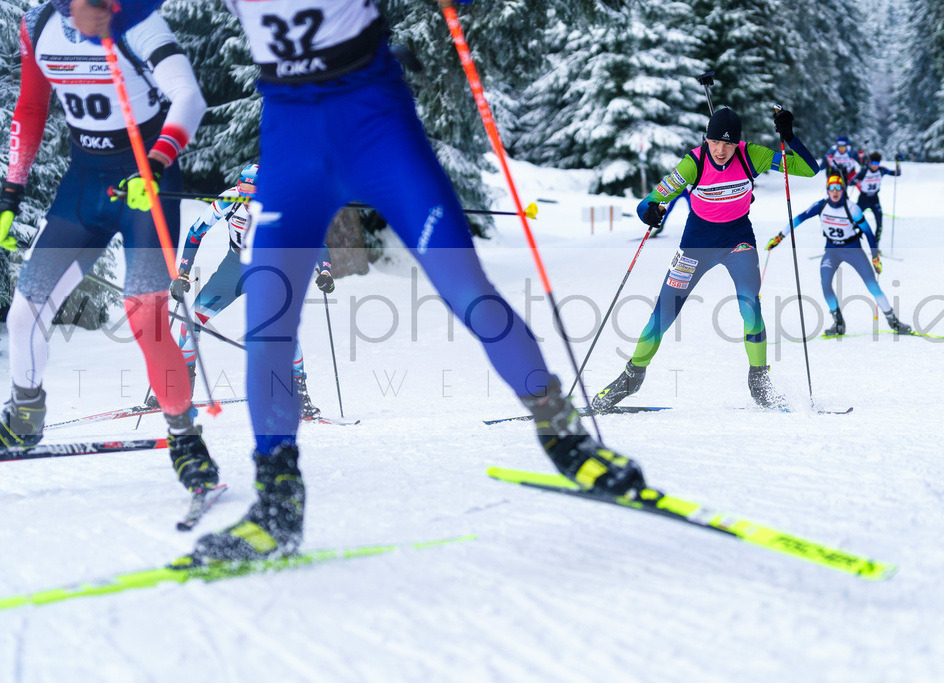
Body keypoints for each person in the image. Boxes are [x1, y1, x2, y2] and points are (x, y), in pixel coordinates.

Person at [71, 0, 646, 563]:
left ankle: (566, 438)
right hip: (293, 146)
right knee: (271, 317)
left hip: (378, 128)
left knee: (467, 290)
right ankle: (277, 503)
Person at [0, 0, 219, 496]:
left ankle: (186, 439)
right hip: (84, 183)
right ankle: (25, 415)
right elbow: (32, 108)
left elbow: (188, 97)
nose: (88, 13)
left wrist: (159, 162)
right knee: (25, 311)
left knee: (145, 316)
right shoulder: (38, 25)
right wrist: (12, 190)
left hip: (145, 177)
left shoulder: (138, 23)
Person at [592, 107, 819, 413]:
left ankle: (759, 382)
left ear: (737, 143)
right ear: (707, 139)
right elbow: (651, 201)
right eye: (715, 142)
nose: (721, 150)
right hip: (696, 244)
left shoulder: (753, 155)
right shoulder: (693, 162)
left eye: (727, 144)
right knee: (664, 310)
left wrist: (789, 136)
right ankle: (632, 377)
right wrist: (650, 211)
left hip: (738, 240)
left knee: (750, 307)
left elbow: (809, 169)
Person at [146, 164, 334, 419]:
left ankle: (299, 397)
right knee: (190, 322)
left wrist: (324, 271)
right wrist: (183, 274)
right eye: (241, 189)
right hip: (233, 268)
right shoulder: (229, 200)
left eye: (251, 192)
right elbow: (195, 232)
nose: (245, 197)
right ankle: (179, 394)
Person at [764, 174, 912, 336]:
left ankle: (893, 322)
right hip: (832, 251)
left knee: (872, 284)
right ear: (827, 190)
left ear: (843, 189)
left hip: (853, 250)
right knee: (825, 283)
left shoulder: (852, 208)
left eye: (838, 188)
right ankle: (838, 323)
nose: (835, 192)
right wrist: (780, 237)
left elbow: (868, 232)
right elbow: (799, 219)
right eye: (831, 188)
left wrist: (875, 257)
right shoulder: (821, 206)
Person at [852, 152, 901, 243]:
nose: (875, 166)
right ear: (870, 162)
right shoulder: (864, 171)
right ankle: (854, 242)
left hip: (874, 199)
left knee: (879, 223)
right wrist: (855, 181)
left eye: (877, 164)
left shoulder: (882, 170)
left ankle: (876, 245)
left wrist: (897, 163)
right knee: (854, 221)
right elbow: (851, 181)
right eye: (873, 163)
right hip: (863, 198)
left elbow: (897, 173)